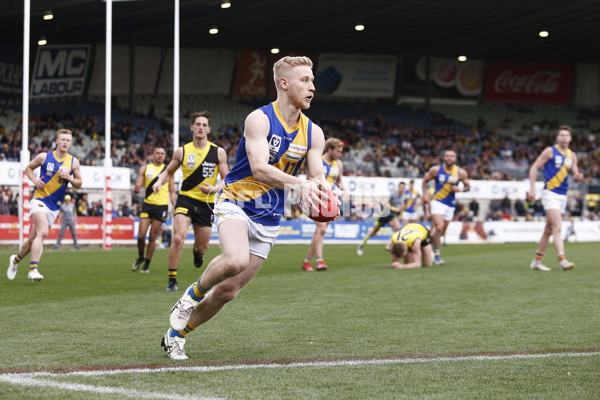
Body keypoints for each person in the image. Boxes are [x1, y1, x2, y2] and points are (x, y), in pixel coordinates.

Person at [159, 55, 334, 360]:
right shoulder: (260, 118)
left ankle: (176, 335)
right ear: (284, 83)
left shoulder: (314, 132)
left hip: (269, 218)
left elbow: (317, 175)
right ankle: (190, 296)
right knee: (235, 259)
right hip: (236, 202)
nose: (312, 87)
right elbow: (259, 167)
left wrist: (324, 190)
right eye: (305, 80)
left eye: (313, 81)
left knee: (228, 292)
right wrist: (299, 184)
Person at [153, 111, 229, 292]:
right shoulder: (182, 151)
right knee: (178, 238)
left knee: (202, 247)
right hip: (185, 199)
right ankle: (172, 280)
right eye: (198, 124)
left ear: (208, 129)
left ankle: (198, 253)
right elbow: (168, 172)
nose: (201, 128)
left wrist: (215, 189)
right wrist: (158, 181)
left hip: (206, 203)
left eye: (204, 125)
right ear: (192, 128)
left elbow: (228, 179)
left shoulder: (218, 152)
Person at [7, 129, 82, 281]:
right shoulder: (44, 156)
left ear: (71, 143)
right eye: (62, 139)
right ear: (57, 140)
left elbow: (79, 184)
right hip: (39, 200)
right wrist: (34, 180)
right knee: (43, 232)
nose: (65, 142)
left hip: (54, 206)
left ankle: (15, 261)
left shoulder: (74, 162)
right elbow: (28, 168)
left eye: (68, 140)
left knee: (33, 238)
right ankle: (33, 270)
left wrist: (69, 178)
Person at [527, 125, 584, 271]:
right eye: (562, 135)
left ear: (570, 139)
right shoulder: (550, 151)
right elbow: (534, 167)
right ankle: (562, 260)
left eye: (567, 135)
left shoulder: (572, 155)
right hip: (550, 193)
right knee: (558, 226)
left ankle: (537, 261)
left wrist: (578, 176)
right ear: (557, 137)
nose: (564, 137)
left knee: (548, 229)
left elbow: (576, 174)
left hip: (562, 195)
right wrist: (532, 188)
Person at [302, 137, 348, 271]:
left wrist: (345, 191)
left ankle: (307, 261)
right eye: (338, 151)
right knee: (321, 230)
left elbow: (339, 181)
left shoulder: (338, 164)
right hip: (317, 199)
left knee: (320, 232)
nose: (340, 154)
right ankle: (320, 261)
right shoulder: (317, 161)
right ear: (330, 149)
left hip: (330, 201)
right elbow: (309, 180)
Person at [132, 146, 176, 273]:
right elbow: (139, 184)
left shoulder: (168, 171)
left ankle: (147, 263)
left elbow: (172, 191)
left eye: (162, 153)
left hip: (161, 206)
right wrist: (137, 187)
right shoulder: (145, 169)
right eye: (157, 153)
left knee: (152, 236)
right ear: (153, 155)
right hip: (147, 204)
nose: (160, 155)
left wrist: (174, 205)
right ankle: (140, 257)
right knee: (141, 236)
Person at [421, 149, 470, 265]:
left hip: (450, 205)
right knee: (438, 227)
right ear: (444, 158)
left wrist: (461, 189)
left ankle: (427, 242)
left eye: (452, 156)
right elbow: (424, 182)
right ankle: (437, 255)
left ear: (455, 159)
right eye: (447, 156)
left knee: (441, 232)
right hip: (437, 202)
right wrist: (425, 194)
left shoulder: (460, 172)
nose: (449, 158)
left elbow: (468, 186)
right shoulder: (436, 170)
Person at [356, 182, 406, 256]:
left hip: (393, 216)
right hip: (385, 214)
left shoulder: (404, 197)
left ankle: (389, 245)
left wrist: (401, 214)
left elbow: (402, 207)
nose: (402, 189)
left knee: (397, 228)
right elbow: (384, 202)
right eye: (401, 187)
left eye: (403, 187)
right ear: (398, 187)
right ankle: (362, 244)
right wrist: (394, 208)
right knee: (374, 232)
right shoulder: (393, 194)